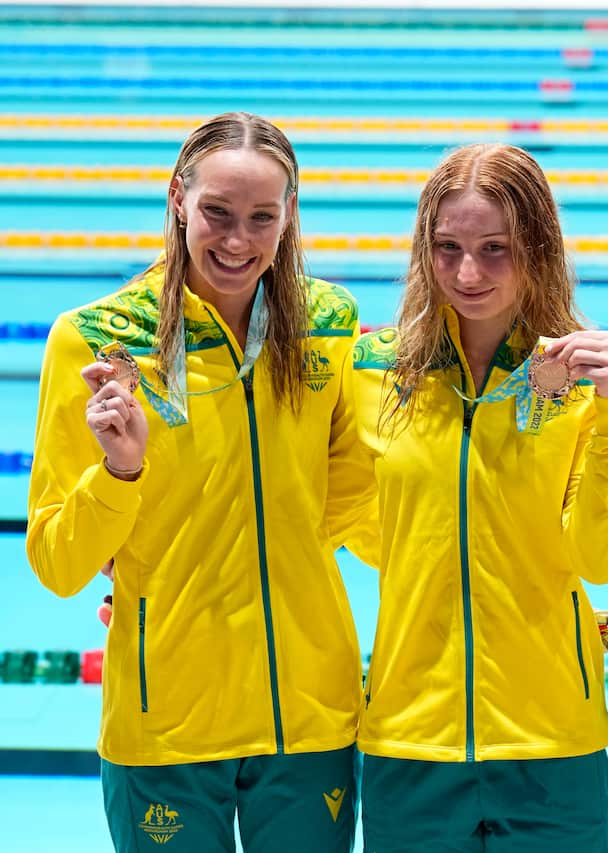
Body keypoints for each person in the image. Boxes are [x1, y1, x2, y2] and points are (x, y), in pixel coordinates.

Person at [27, 112, 368, 852]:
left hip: (309, 715)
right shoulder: (95, 340)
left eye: (261, 217)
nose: (238, 241)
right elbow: (56, 563)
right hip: (167, 724)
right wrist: (122, 475)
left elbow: (357, 504)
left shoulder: (332, 324)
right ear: (178, 197)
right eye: (217, 212)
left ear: (290, 216)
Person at [345, 142, 608, 852]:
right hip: (408, 738)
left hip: (552, 745)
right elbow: (315, 499)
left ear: (538, 247)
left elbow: (603, 559)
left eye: (495, 248)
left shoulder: (583, 382)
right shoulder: (366, 371)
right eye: (446, 247)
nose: (467, 272)